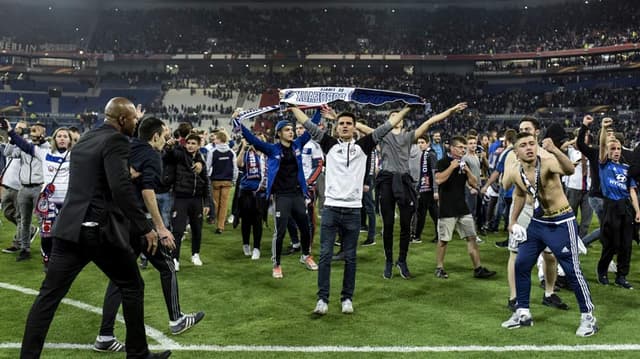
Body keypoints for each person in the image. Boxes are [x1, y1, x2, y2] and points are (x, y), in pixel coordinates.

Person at [20, 97, 171, 358]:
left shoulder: (86, 139)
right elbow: (120, 187)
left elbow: (95, 181)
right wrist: (145, 227)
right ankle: (138, 354)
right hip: (98, 231)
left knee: (48, 297)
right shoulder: (117, 140)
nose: (137, 122)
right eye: (134, 118)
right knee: (132, 285)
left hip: (68, 228)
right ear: (122, 120)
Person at [95, 117, 204, 353]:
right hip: (136, 222)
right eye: (164, 135)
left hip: (116, 219)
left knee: (119, 278)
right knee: (167, 265)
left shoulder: (127, 146)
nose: (167, 139)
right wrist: (160, 227)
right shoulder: (152, 155)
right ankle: (176, 319)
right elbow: (147, 191)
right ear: (154, 137)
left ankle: (105, 335)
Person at [289, 105, 406, 315]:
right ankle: (322, 300)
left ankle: (347, 298)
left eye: (348, 124)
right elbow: (306, 122)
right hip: (332, 208)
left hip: (353, 210)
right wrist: (292, 105)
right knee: (325, 255)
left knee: (350, 257)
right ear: (336, 126)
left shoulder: (364, 146)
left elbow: (388, 126)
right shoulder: (329, 144)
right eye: (341, 123)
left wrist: (406, 109)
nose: (344, 126)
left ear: (354, 128)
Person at [357, 102, 468, 279]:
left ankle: (402, 260)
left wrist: (451, 110)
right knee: (388, 224)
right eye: (393, 116)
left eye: (399, 116)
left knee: (405, 225)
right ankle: (388, 261)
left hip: (404, 180)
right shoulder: (382, 135)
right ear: (388, 120)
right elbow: (359, 125)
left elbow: (430, 121)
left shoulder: (409, 136)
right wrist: (336, 118)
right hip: (386, 180)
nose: (397, 118)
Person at [501, 132, 596, 337]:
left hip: (561, 222)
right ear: (516, 152)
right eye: (523, 145)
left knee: (572, 270)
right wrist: (513, 222)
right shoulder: (517, 171)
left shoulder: (547, 163)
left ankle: (588, 317)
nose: (529, 148)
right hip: (537, 223)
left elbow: (569, 169)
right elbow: (519, 193)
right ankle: (523, 312)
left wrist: (554, 149)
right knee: (522, 263)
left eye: (532, 143)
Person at [236, 113, 317, 279]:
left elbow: (311, 129)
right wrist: (237, 121)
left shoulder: (298, 145)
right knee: (279, 232)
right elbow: (252, 139)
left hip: (297, 194)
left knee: (305, 228)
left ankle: (306, 255)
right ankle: (277, 264)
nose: (291, 132)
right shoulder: (272, 149)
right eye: (287, 130)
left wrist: (319, 113)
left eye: (292, 129)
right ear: (279, 133)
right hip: (281, 196)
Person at [7, 125, 73, 271]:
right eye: (59, 136)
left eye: (65, 136)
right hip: (49, 202)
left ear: (70, 140)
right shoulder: (45, 154)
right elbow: (25, 145)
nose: (62, 138)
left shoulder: (75, 156)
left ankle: (62, 260)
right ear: (54, 139)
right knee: (47, 234)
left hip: (67, 202)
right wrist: (11, 131)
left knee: (65, 234)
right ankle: (47, 260)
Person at [434, 136, 496, 279]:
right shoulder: (442, 162)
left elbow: (475, 184)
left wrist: (467, 170)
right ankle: (439, 267)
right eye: (461, 147)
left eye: (464, 147)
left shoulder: (464, 163)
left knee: (472, 237)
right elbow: (438, 179)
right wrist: (451, 167)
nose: (464, 149)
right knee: (443, 240)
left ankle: (478, 268)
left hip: (462, 207)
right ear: (452, 148)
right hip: (447, 208)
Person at [596, 117, 639, 289]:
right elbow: (601, 147)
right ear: (607, 150)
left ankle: (621, 276)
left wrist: (638, 211)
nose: (616, 151)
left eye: (618, 149)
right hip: (610, 207)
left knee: (626, 244)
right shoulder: (604, 165)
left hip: (625, 207)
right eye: (612, 148)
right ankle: (603, 272)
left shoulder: (627, 169)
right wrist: (604, 129)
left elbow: (632, 191)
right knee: (611, 244)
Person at [167, 133, 211, 269]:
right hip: (181, 198)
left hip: (197, 199)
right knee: (178, 230)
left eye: (193, 143)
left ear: (199, 145)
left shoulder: (201, 160)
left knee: (197, 229)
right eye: (189, 143)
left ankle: (195, 254)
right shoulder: (179, 155)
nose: (190, 146)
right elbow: (168, 156)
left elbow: (206, 182)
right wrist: (169, 147)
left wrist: (207, 202)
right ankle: (175, 259)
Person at [14, 121, 48, 261]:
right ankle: (24, 249)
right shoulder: (25, 145)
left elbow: (45, 148)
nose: (35, 132)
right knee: (24, 221)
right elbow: (10, 153)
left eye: (38, 130)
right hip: (24, 187)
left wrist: (41, 139)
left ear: (43, 133)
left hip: (38, 188)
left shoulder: (46, 146)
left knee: (42, 221)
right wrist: (14, 137)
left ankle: (45, 250)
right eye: (33, 130)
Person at [236, 137, 267, 260]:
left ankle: (257, 248)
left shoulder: (265, 155)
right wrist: (243, 149)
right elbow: (239, 164)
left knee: (258, 222)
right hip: (246, 192)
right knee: (246, 221)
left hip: (259, 193)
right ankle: (246, 244)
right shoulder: (247, 153)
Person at [207, 129, 237, 234]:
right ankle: (220, 226)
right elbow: (235, 168)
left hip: (215, 180)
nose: (214, 140)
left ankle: (214, 219)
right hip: (227, 181)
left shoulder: (213, 152)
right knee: (224, 204)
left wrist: (207, 177)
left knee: (215, 203)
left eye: (216, 138)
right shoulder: (231, 152)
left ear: (219, 139)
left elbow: (208, 166)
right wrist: (234, 179)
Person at [412, 135, 439, 244]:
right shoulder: (424, 154)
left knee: (424, 213)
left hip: (429, 189)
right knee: (429, 213)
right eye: (419, 142)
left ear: (428, 143)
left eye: (422, 142)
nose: (420, 145)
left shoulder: (430, 154)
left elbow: (434, 172)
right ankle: (419, 236)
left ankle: (417, 236)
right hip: (425, 188)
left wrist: (436, 190)